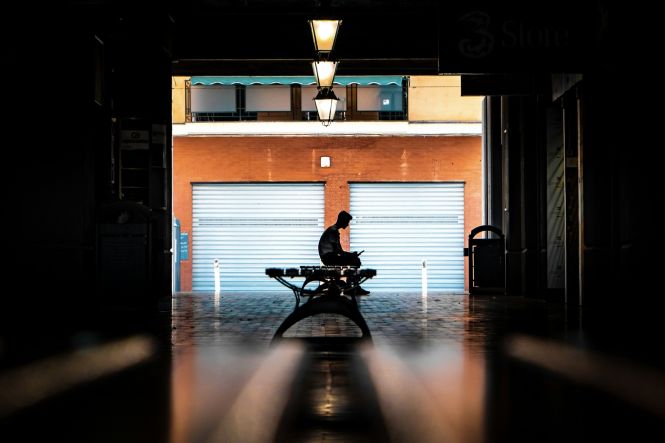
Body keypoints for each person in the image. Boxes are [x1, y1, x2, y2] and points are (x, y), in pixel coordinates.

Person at [318, 210, 370, 295]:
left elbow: (339, 251)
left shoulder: (333, 230)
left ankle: (352, 286)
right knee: (355, 261)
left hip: (329, 257)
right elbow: (339, 252)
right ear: (343, 220)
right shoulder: (333, 231)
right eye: (347, 222)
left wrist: (351, 255)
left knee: (354, 259)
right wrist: (351, 255)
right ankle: (353, 287)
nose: (348, 224)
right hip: (329, 258)